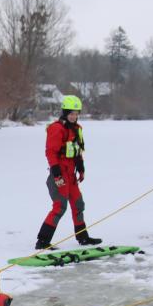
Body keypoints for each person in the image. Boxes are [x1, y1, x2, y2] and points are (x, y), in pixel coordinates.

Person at [36, 95, 102, 250]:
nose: (74, 116)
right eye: (71, 113)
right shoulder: (56, 128)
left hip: (71, 175)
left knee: (78, 204)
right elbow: (50, 153)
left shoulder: (77, 129)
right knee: (60, 207)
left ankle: (83, 237)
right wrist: (57, 175)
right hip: (59, 175)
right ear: (65, 112)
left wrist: (81, 169)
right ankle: (42, 241)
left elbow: (77, 151)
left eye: (76, 113)